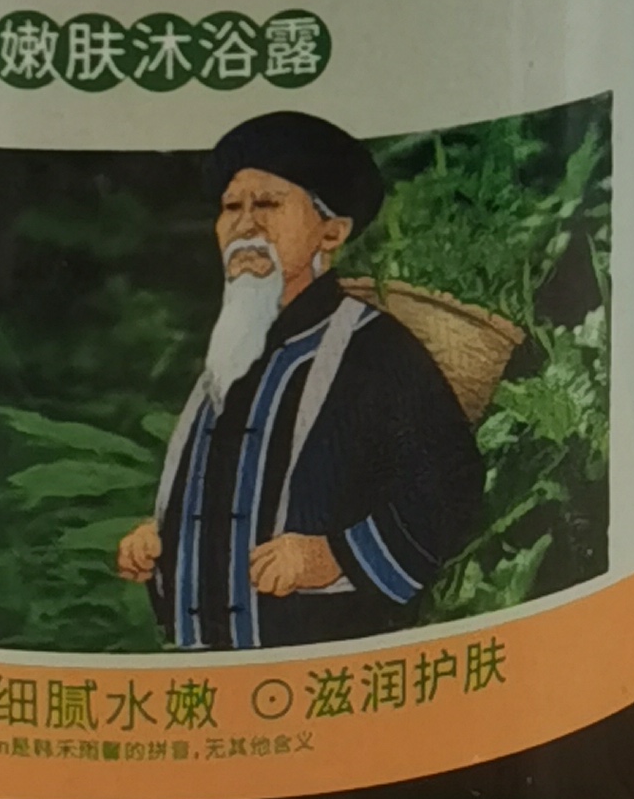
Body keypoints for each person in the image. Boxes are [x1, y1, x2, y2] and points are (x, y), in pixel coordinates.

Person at [116, 110, 484, 651]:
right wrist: (162, 539)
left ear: (331, 232)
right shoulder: (227, 354)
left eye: (268, 205)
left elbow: (453, 482)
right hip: (202, 660)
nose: (245, 225)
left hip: (325, 661)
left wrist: (333, 556)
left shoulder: (374, 350)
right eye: (231, 208)